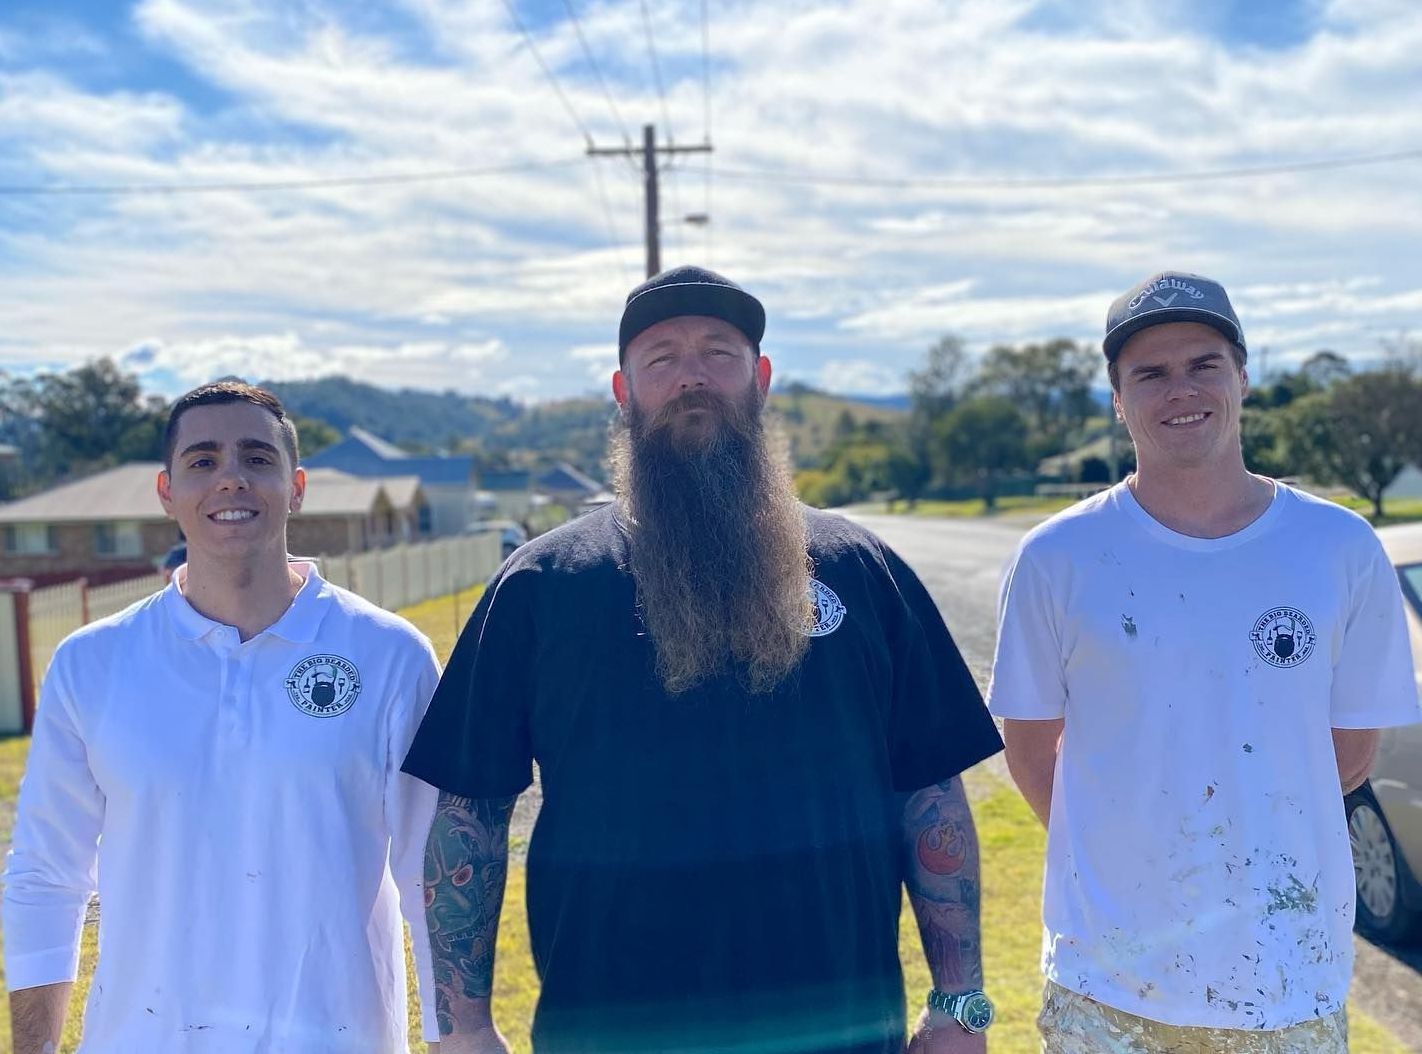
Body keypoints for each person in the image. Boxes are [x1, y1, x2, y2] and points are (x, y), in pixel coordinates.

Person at [402, 266, 1004, 1054]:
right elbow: (469, 814)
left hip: (841, 1028)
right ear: (624, 392)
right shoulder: (540, 587)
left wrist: (963, 1007)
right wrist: (464, 1024)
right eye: (661, 358)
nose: (691, 376)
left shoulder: (863, 570)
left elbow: (930, 792)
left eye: (718, 352)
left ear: (760, 379)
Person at [988, 271, 1422, 1053]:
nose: (1178, 390)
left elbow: (1350, 755)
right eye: (1149, 373)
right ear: (1118, 399)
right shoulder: (1057, 557)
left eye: (1203, 365)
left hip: (1287, 978)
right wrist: (1133, 849)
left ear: (1243, 378)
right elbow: (1030, 751)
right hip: (1107, 985)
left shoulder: (1338, 547)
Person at [3, 381, 442, 1053]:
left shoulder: (387, 655)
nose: (231, 479)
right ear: (166, 491)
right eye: (203, 461)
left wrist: (455, 1035)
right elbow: (45, 872)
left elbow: (430, 872)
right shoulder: (92, 663)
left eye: (256, 459)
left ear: (296, 486)